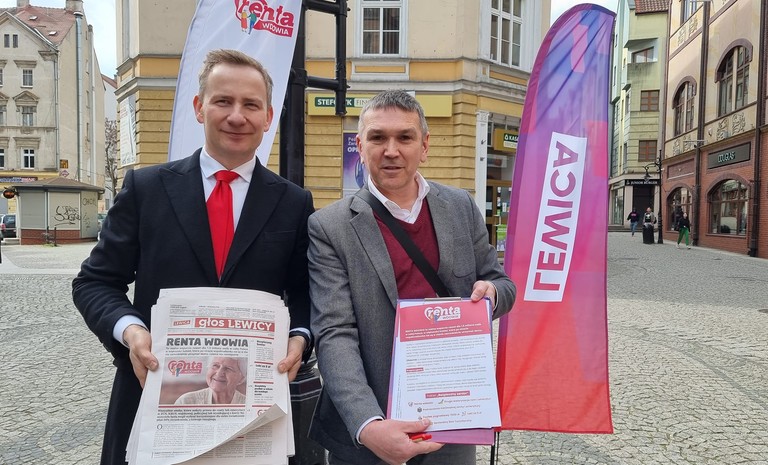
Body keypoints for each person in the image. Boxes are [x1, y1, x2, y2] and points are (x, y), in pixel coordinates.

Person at [72, 49, 314, 465]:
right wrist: (131, 332)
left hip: (254, 416)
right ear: (199, 108)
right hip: (153, 399)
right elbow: (95, 282)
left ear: (268, 117)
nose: (237, 116)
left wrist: (301, 337)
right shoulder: (147, 189)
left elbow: (307, 293)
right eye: (223, 101)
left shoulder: (293, 203)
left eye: (250, 104)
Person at [307, 90, 517, 465]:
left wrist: (492, 294)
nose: (391, 150)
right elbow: (335, 332)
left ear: (424, 146)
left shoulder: (460, 206)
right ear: (360, 146)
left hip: (452, 422)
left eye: (404, 137)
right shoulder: (329, 226)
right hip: (371, 431)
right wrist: (368, 425)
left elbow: (502, 283)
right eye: (378, 137)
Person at [175, 357, 247, 405]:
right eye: (215, 365)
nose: (219, 373)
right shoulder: (186, 401)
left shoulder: (247, 403)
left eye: (228, 368)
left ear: (241, 378)